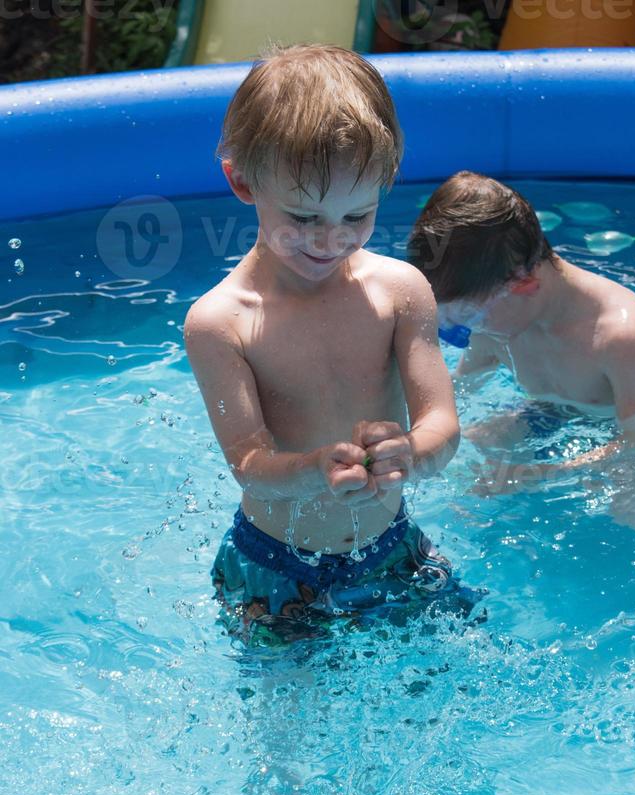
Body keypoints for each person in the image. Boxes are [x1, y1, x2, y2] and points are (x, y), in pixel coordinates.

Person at [183, 45, 481, 646]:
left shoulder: (399, 291)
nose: (331, 239)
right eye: (304, 216)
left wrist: (412, 454)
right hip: (276, 567)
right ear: (241, 180)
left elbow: (442, 423)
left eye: (357, 214)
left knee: (456, 677)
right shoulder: (221, 322)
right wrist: (312, 469)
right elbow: (250, 466)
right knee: (286, 733)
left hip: (393, 548)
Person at [407, 171, 635, 498]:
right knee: (461, 461)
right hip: (547, 413)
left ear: (524, 284)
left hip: (624, 434)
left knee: (632, 507)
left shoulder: (623, 338)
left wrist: (539, 475)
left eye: (469, 316)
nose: (466, 331)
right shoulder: (495, 320)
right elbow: (462, 390)